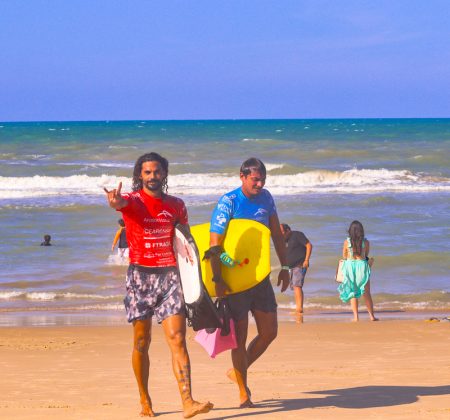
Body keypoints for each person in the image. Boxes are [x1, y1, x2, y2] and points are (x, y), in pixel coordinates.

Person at [103, 152, 213, 418]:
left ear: (165, 174)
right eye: (147, 172)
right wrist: (115, 201)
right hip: (140, 278)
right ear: (140, 175)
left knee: (178, 339)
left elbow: (184, 240)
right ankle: (145, 399)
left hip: (170, 278)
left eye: (157, 171)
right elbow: (119, 203)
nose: (152, 176)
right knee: (142, 341)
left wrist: (196, 275)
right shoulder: (131, 201)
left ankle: (188, 401)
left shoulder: (176, 205)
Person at [207, 157, 290, 408]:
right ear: (242, 177)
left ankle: (238, 371)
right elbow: (214, 245)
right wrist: (217, 280)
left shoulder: (267, 198)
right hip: (235, 282)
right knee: (239, 338)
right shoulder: (228, 202)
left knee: (269, 332)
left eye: (263, 179)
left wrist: (285, 266)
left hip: (259, 276)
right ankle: (244, 392)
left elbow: (276, 233)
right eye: (255, 179)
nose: (260, 183)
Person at [337, 220, 378, 322]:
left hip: (350, 267)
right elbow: (366, 254)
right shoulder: (366, 242)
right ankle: (372, 316)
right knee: (367, 292)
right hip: (362, 267)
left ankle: (356, 317)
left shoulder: (347, 242)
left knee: (353, 293)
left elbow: (344, 255)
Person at [280, 223, 312, 315]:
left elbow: (309, 245)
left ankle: (299, 309)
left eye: (282, 232)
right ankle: (298, 307)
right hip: (291, 267)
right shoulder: (284, 241)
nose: (281, 235)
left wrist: (306, 260)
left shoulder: (297, 235)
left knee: (297, 286)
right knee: (295, 286)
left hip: (299, 264)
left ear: (288, 230)